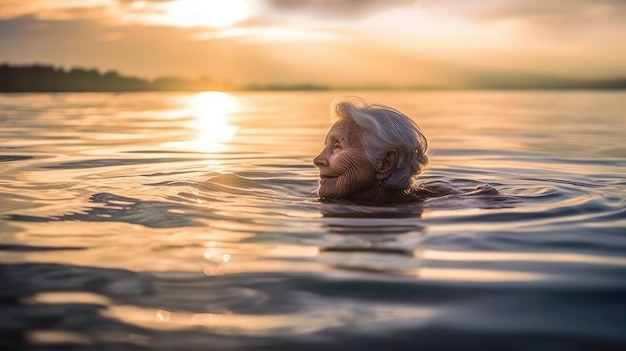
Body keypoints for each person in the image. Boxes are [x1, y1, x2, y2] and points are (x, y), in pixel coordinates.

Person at [313, 97, 498, 203]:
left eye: (337, 146)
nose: (318, 159)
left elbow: (486, 196)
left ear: (385, 163)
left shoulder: (422, 205)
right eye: (325, 147)